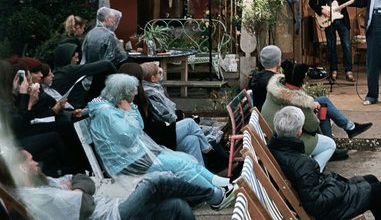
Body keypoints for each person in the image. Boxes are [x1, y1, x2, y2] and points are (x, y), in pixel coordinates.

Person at [86, 74, 233, 209]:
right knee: (181, 165)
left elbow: (139, 127)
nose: (136, 93)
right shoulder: (107, 113)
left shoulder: (113, 107)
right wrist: (129, 110)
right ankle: (216, 197)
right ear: (122, 94)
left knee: (185, 160)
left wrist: (130, 109)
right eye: (132, 91)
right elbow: (129, 135)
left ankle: (221, 184)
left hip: (138, 155)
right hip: (129, 163)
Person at [11, 148, 228, 219]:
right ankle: (216, 196)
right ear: (22, 168)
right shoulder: (34, 196)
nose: (36, 162)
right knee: (157, 181)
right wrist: (79, 189)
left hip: (108, 203)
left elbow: (79, 177)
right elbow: (85, 204)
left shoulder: (43, 181)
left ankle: (217, 193)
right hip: (109, 215)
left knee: (176, 205)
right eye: (31, 161)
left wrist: (77, 187)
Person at [268, 106, 381, 220]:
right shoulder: (301, 163)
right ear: (299, 132)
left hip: (325, 194)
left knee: (372, 180)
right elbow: (316, 204)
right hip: (329, 210)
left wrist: (333, 183)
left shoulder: (277, 148)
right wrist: (338, 187)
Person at [251, 46, 371, 144]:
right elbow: (288, 98)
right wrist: (310, 103)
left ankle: (344, 132)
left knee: (323, 103)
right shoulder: (273, 81)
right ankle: (344, 132)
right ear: (277, 61)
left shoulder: (259, 77)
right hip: (279, 118)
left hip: (276, 113)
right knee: (322, 105)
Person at [263, 59, 364, 168]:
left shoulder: (276, 89)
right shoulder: (299, 101)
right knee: (329, 141)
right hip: (287, 141)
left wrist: (311, 104)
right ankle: (314, 171)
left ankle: (349, 127)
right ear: (301, 81)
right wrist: (311, 109)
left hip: (274, 133)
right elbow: (313, 126)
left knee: (323, 102)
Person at [139, 61, 226, 169]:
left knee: (192, 140)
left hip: (163, 129)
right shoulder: (150, 93)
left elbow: (167, 109)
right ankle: (209, 151)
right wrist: (177, 116)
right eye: (158, 73)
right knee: (190, 123)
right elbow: (164, 115)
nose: (161, 74)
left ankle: (201, 175)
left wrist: (177, 114)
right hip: (161, 135)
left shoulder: (152, 89)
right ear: (152, 78)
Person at [309, 0, 355, 82]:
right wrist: (321, 10)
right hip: (329, 20)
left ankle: (348, 71)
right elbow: (312, 2)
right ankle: (333, 70)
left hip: (342, 19)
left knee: (346, 45)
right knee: (331, 46)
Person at [52, 42, 116, 108]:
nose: (77, 60)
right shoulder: (69, 70)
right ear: (67, 57)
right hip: (78, 108)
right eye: (76, 57)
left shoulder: (56, 72)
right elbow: (106, 64)